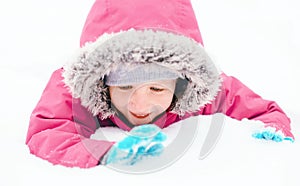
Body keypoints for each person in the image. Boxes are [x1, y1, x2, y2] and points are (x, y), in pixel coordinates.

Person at [26, 0, 295, 168]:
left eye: (156, 89)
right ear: (101, 81)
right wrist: (107, 153)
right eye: (123, 87)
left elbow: (263, 111)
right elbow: (48, 133)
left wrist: (273, 129)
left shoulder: (203, 92)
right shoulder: (77, 92)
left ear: (181, 82)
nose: (139, 105)